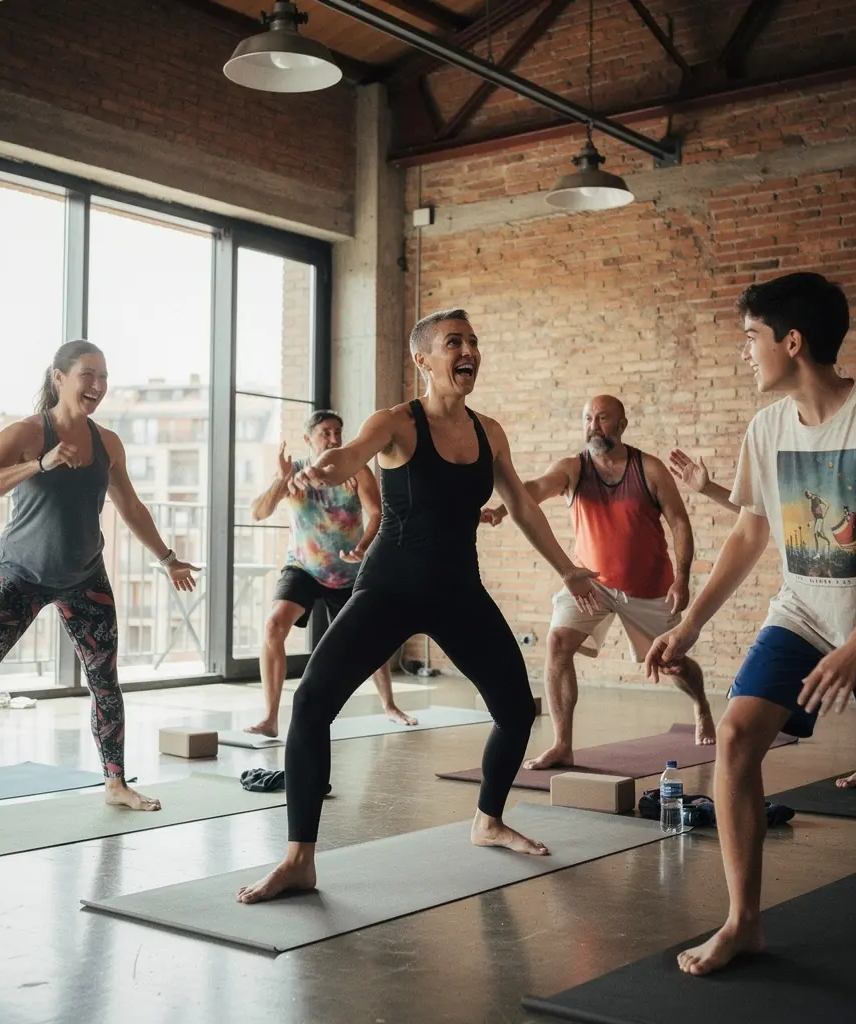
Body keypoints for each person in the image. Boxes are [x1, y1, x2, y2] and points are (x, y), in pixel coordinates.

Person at [236, 309, 599, 903]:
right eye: (455, 342)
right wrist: (325, 467)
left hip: (459, 590)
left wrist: (568, 567)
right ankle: (299, 857)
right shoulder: (396, 423)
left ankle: (487, 819)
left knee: (514, 710)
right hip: (389, 588)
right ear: (423, 359)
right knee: (312, 704)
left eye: (474, 342)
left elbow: (525, 508)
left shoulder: (490, 432)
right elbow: (350, 456)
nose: (469, 351)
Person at [647, 272, 856, 977]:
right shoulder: (769, 427)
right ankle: (743, 922)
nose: (744, 353)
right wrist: (692, 622)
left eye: (751, 338)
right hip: (806, 614)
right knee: (734, 736)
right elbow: (752, 534)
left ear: (792, 341)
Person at [0, 340, 199, 841]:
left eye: (104, 376)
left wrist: (167, 558)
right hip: (18, 577)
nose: (97, 386)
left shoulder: (107, 443)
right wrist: (41, 463)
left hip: (83, 578)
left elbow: (131, 507)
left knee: (105, 684)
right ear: (59, 376)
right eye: (87, 375)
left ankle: (115, 783)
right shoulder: (28, 433)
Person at [670, 392, 856, 790]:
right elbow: (766, 519)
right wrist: (709, 489)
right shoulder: (774, 429)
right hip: (821, 610)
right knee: (738, 734)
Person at [480, 395, 715, 768]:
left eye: (603, 418)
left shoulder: (649, 469)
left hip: (649, 586)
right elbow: (535, 489)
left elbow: (680, 522)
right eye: (588, 418)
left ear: (621, 425)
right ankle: (562, 744)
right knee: (557, 642)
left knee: (674, 663)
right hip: (591, 583)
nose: (594, 425)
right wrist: (502, 509)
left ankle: (701, 704)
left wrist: (682, 578)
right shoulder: (574, 469)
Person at [245, 409, 415, 737]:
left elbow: (378, 513)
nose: (334, 438)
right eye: (325, 432)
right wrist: (280, 479)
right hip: (303, 567)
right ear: (308, 439)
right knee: (273, 626)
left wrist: (364, 546)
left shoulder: (356, 470)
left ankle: (389, 705)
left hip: (348, 571)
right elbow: (258, 512)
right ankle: (269, 718)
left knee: (372, 640)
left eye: (338, 431)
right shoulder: (293, 473)